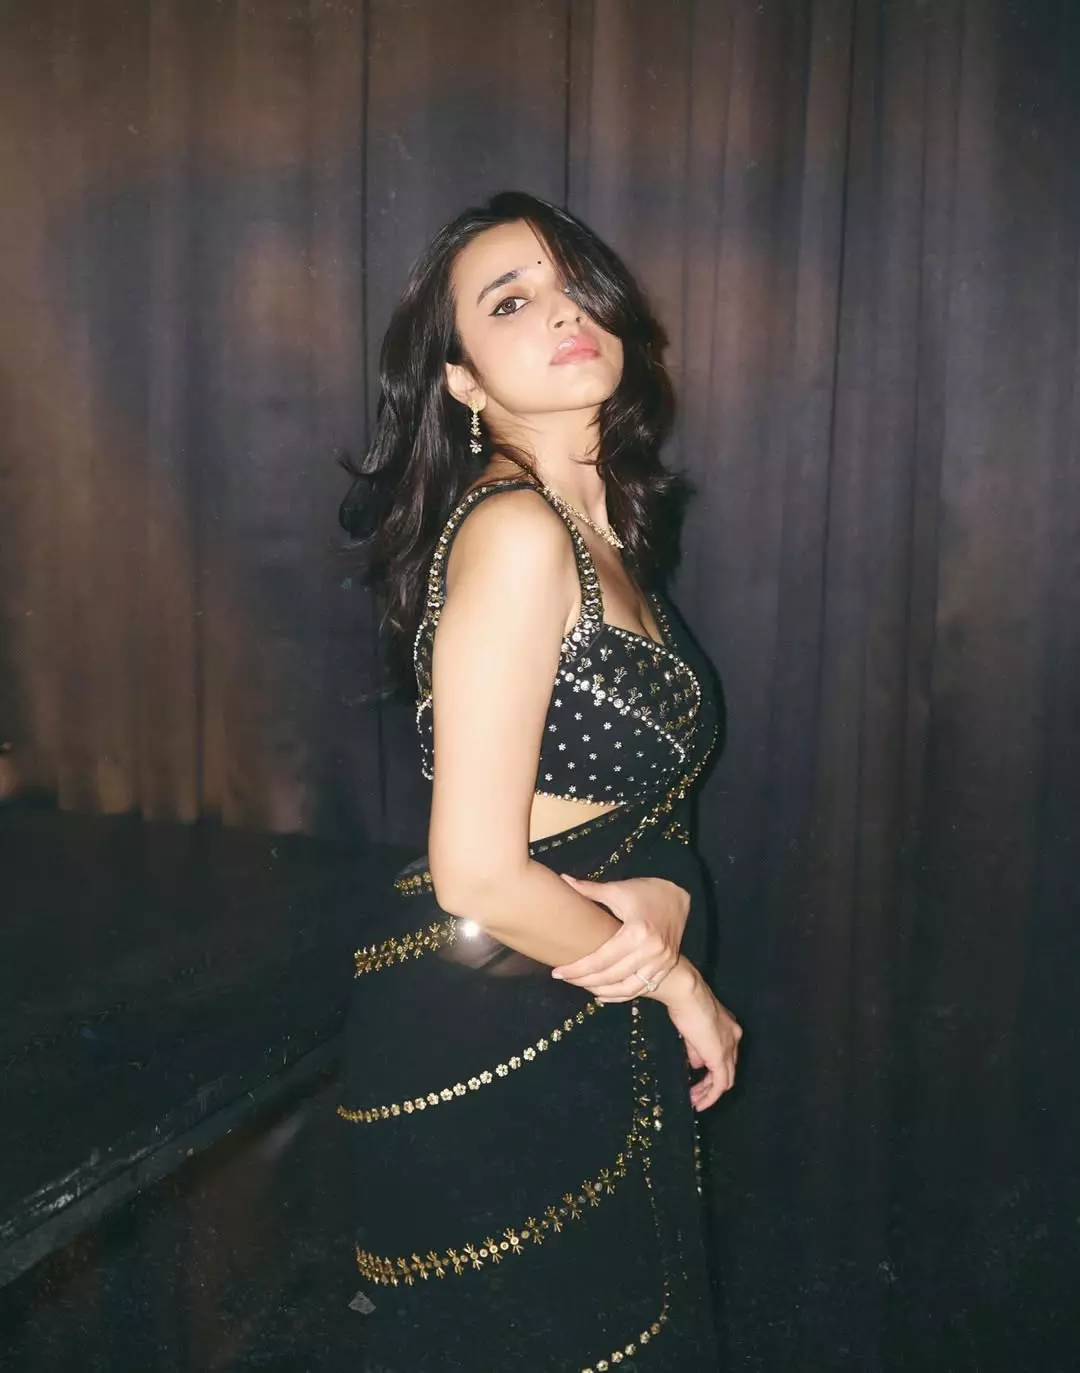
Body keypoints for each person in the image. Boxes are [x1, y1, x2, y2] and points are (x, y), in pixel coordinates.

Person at [336, 189, 742, 1371]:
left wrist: (666, 881)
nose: (563, 312)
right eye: (510, 302)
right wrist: (675, 976)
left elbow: (622, 808)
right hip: (487, 1036)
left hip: (563, 1009)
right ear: (461, 380)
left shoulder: (600, 534)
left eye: (574, 285)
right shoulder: (517, 532)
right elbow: (476, 870)